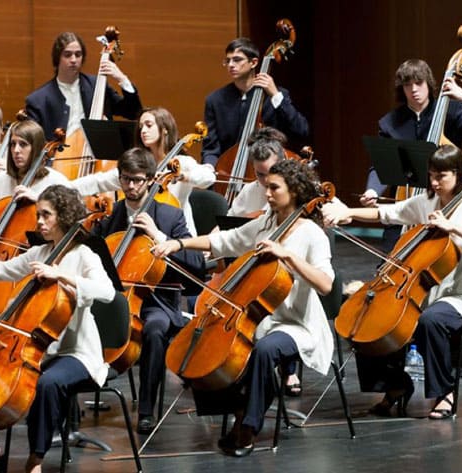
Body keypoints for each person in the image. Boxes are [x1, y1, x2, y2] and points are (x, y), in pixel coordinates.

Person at [152, 158, 333, 456]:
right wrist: (179, 244)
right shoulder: (267, 223)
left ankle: (248, 426)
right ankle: (239, 407)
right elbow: (226, 240)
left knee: (264, 350)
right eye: (267, 187)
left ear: (295, 191)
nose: (268, 194)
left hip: (297, 324)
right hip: (258, 318)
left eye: (274, 188)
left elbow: (325, 284)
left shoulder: (312, 234)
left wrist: (286, 255)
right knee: (215, 348)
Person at [0, 184, 114, 473]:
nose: (39, 222)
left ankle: (36, 459)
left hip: (76, 353)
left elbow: (107, 292)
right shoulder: (41, 252)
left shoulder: (84, 255)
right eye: (38, 215)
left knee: (48, 384)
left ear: (65, 217)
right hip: (34, 351)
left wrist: (63, 276)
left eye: (46, 215)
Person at [321, 144, 462, 419]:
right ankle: (395, 386)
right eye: (430, 175)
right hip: (420, 293)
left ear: (457, 174)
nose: (433, 182)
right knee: (369, 315)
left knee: (430, 320)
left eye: (440, 176)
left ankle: (444, 394)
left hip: (459, 297)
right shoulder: (425, 204)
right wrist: (349, 212)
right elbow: (387, 213)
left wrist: (454, 227)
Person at [90, 147, 203, 435]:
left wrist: (159, 235)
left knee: (154, 329)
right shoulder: (113, 215)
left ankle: (146, 409)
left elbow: (197, 264)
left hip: (157, 302)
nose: (130, 186)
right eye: (125, 179)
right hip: (116, 297)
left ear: (152, 180)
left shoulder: (170, 216)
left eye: (138, 180)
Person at [362, 58, 462, 252]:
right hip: (405, 208)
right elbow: (382, 165)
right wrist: (372, 191)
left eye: (419, 83)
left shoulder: (452, 112)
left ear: (429, 84)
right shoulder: (390, 123)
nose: (414, 89)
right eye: (407, 85)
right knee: (388, 267)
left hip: (445, 208)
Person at [0, 119, 115, 224]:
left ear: (36, 148)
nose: (15, 150)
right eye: (13, 144)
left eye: (23, 144)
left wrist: (39, 200)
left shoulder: (54, 181)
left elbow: (73, 216)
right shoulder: (2, 179)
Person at [201, 37, 309, 168]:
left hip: (270, 171)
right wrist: (209, 169)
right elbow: (211, 148)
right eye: (227, 60)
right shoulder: (215, 100)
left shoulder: (276, 95)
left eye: (237, 60)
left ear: (253, 62)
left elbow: (301, 130)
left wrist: (275, 95)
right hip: (227, 173)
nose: (230, 65)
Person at [25, 31, 141, 141]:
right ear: (57, 58)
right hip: (59, 159)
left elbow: (133, 112)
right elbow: (34, 142)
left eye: (78, 55)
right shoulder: (38, 100)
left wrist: (122, 78)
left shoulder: (96, 86)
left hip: (97, 156)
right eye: (67, 55)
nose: (74, 60)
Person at [137, 106, 216, 235]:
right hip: (145, 232)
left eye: (149, 125)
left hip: (178, 232)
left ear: (165, 130)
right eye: (141, 127)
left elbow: (209, 177)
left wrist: (182, 176)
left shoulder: (182, 162)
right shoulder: (141, 164)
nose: (143, 131)